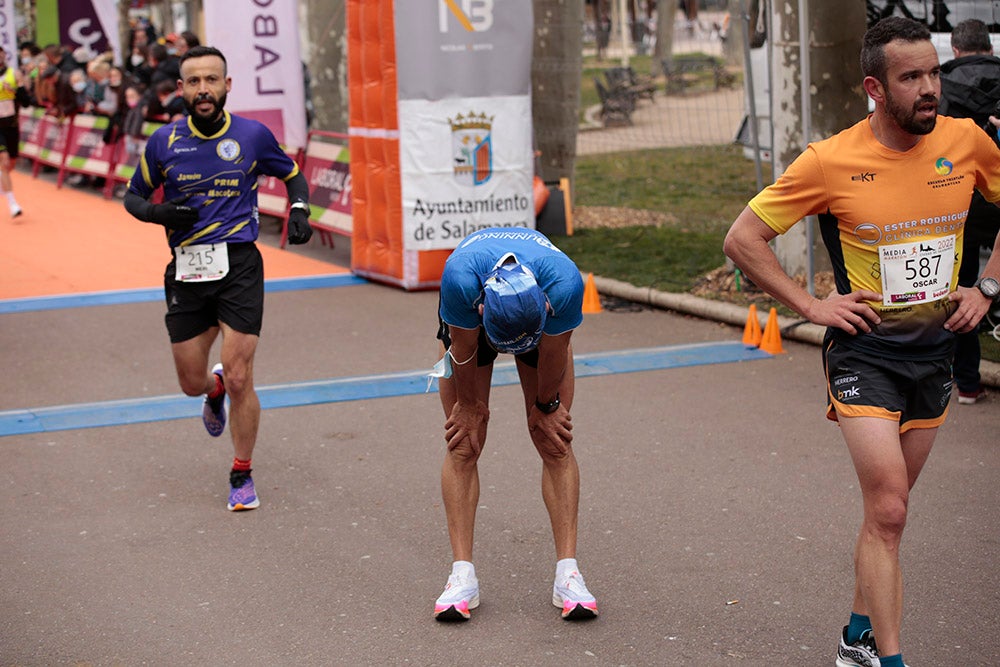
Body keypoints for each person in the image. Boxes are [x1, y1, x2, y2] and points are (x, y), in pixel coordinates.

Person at [723, 16, 1000, 667]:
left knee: (887, 518)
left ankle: (856, 635)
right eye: (913, 78)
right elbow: (742, 239)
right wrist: (812, 304)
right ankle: (891, 659)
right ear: (875, 87)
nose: (930, 88)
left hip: (932, 355)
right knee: (891, 505)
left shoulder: (966, 143)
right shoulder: (831, 159)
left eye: (934, 72)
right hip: (866, 354)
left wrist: (986, 287)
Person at [123, 45, 313, 511]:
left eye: (212, 80)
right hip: (188, 268)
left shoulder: (251, 136)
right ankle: (211, 390)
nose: (203, 89)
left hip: (240, 265)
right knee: (190, 380)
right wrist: (157, 211)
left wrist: (300, 209)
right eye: (194, 81)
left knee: (242, 374)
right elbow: (132, 197)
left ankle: (241, 474)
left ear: (228, 85)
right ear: (181, 89)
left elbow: (292, 175)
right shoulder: (163, 142)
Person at [432, 226, 598, 622]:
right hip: (471, 333)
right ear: (482, 311)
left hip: (538, 324)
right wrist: (469, 405)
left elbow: (555, 350)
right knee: (464, 443)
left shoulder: (564, 286)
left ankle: (568, 575)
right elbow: (463, 348)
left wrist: (546, 405)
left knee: (554, 440)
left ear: (545, 307)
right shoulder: (460, 282)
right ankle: (461, 577)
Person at [938, 18, 1000, 404]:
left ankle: (967, 383)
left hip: (958, 201)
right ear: (990, 49)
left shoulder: (940, 87)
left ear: (955, 50)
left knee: (960, 291)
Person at [0, 46, 23, 217]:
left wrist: (14, 90)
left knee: (11, 163)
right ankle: (12, 203)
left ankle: (3, 182)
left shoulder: (14, 74)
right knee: (4, 160)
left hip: (11, 125)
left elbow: (27, 101)